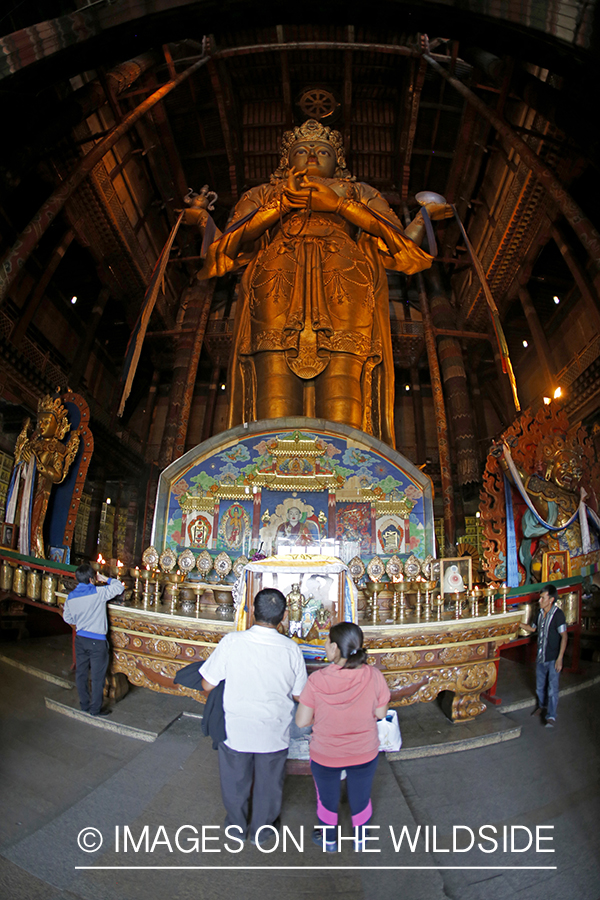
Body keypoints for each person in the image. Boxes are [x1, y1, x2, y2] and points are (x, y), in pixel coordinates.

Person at [197, 118, 450, 444]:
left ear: (338, 161)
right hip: (276, 282)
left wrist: (342, 205)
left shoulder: (358, 191)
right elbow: (227, 246)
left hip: (344, 282)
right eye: (303, 150)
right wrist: (279, 206)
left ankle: (346, 467)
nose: (313, 156)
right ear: (287, 160)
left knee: (344, 383)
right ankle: (269, 467)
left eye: (323, 151)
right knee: (273, 384)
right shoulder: (264, 193)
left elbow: (398, 243)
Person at [200, 587, 307, 845]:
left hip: (237, 727)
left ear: (252, 613)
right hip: (274, 730)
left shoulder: (232, 642)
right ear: (284, 616)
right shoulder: (291, 649)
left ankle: (236, 826)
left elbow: (206, 684)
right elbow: (299, 694)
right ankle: (263, 830)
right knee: (269, 784)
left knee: (235, 781)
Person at [295, 622, 390, 852]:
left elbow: (301, 721)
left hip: (326, 753)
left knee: (327, 799)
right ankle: (361, 839)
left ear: (335, 648)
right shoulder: (374, 675)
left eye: (327, 642)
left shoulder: (317, 680)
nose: (325, 646)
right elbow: (380, 714)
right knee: (361, 796)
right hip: (364, 751)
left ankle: (329, 840)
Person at [6, 394, 80, 558]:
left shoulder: (57, 449)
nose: (42, 425)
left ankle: (35, 554)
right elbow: (18, 466)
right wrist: (22, 461)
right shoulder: (32, 445)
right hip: (24, 490)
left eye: (47, 422)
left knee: (34, 526)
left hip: (40, 491)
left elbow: (58, 475)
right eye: (40, 422)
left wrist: (39, 465)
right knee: (17, 520)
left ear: (58, 426)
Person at [62, 564, 125, 716]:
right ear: (92, 579)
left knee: (81, 674)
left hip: (80, 639)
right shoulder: (98, 592)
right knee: (97, 677)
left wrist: (81, 621)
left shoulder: (71, 597)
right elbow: (119, 587)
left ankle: (84, 705)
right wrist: (105, 579)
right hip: (97, 642)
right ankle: (95, 709)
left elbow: (67, 618)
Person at [520, 584, 568, 728]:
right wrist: (517, 624)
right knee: (540, 687)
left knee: (552, 688)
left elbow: (564, 636)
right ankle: (542, 706)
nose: (539, 600)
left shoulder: (558, 615)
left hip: (553, 658)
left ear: (551, 599)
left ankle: (551, 715)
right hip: (541, 657)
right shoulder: (540, 614)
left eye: (542, 598)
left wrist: (560, 658)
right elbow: (532, 628)